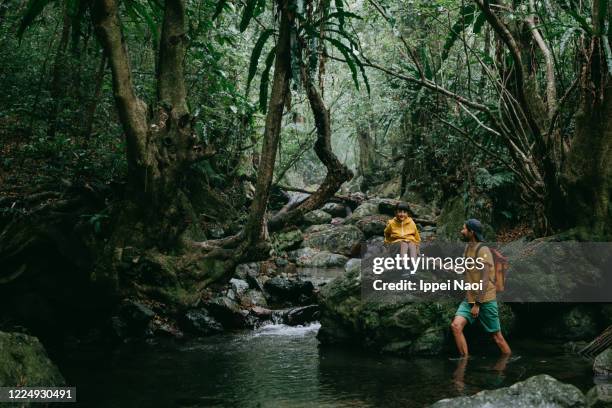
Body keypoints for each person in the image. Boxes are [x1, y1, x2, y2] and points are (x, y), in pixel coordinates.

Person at [450, 219, 511, 356]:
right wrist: (441, 265)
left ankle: (507, 364)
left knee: (497, 337)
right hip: (470, 297)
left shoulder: (483, 250)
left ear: (472, 232)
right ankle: (464, 361)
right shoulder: (468, 248)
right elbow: (463, 269)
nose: (461, 231)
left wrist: (477, 304)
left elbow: (484, 280)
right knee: (456, 326)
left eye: (464, 229)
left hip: (485, 299)